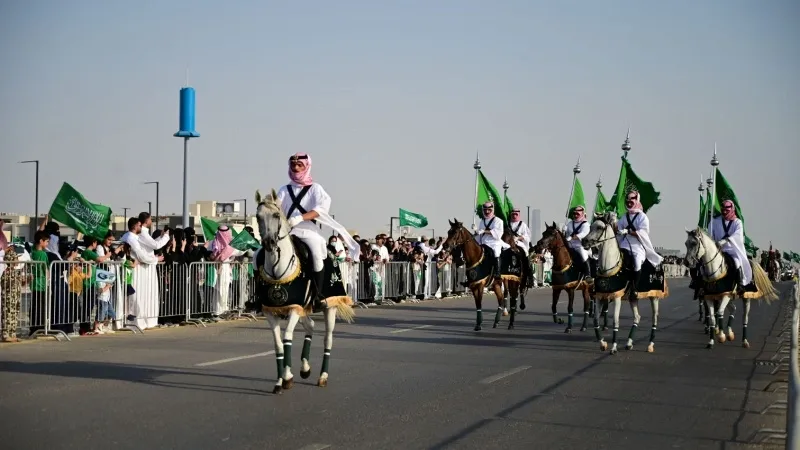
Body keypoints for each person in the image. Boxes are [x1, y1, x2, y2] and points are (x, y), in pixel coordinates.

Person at [276, 152, 359, 312]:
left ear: (306, 167)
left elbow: (320, 210)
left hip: (308, 231)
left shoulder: (315, 188)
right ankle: (264, 296)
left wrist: (299, 218)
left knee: (316, 254)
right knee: (262, 254)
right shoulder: (284, 189)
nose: (296, 168)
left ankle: (319, 295)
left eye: (299, 165)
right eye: (293, 165)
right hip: (288, 232)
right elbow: (276, 206)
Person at [616, 191, 663, 298]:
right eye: (627, 201)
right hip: (624, 244)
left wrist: (628, 232)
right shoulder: (624, 216)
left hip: (638, 247)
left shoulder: (642, 217)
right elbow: (618, 228)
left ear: (636, 201)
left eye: (631, 200)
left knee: (637, 263)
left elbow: (643, 232)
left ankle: (634, 288)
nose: (628, 203)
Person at [710, 199, 751, 294]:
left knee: (737, 262)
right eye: (723, 210)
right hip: (719, 250)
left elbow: (738, 235)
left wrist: (726, 240)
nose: (724, 212)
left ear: (732, 209)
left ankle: (740, 284)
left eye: (727, 211)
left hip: (732, 250)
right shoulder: (715, 221)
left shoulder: (737, 222)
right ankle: (699, 285)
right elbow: (710, 234)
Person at [476, 202, 508, 279]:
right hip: (483, 242)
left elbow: (498, 234)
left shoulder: (498, 221)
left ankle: (497, 272)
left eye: (489, 210)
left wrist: (484, 231)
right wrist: (475, 232)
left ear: (492, 210)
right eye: (485, 210)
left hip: (494, 242)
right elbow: (480, 233)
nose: (487, 212)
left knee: (496, 252)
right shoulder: (482, 221)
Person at [563, 205, 592, 283]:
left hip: (581, 246)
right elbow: (566, 234)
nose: (575, 216)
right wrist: (564, 231)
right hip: (570, 245)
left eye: (577, 214)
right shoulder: (570, 223)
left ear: (582, 214)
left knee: (583, 255)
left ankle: (588, 274)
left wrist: (571, 238)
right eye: (574, 214)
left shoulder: (586, 224)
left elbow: (583, 234)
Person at [507, 208, 534, 287]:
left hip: (520, 243)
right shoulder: (508, 224)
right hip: (509, 243)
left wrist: (518, 238)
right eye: (513, 214)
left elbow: (527, 236)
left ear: (518, 215)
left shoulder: (523, 224)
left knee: (526, 255)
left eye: (516, 214)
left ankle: (529, 276)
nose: (514, 216)